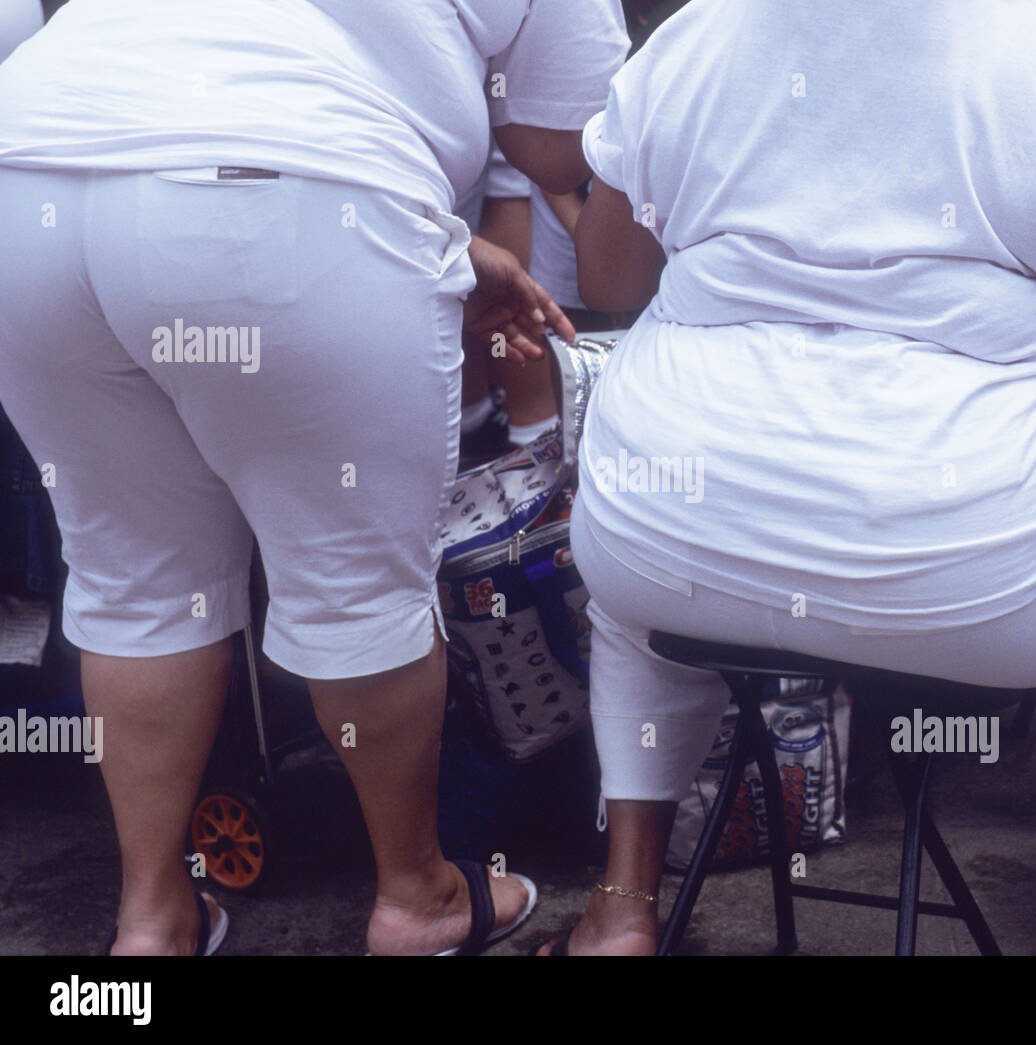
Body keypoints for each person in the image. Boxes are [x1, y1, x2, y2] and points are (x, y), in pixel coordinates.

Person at [544, 0, 1036, 955]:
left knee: (635, 606)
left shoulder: (695, 38)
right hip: (986, 571)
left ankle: (619, 909)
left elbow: (612, 281)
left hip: (673, 526)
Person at [0, 0, 627, 955]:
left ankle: (152, 921)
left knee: (132, 580)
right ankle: (420, 900)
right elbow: (559, 143)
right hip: (287, 199)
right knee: (357, 589)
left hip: (29, 176)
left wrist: (431, 246)